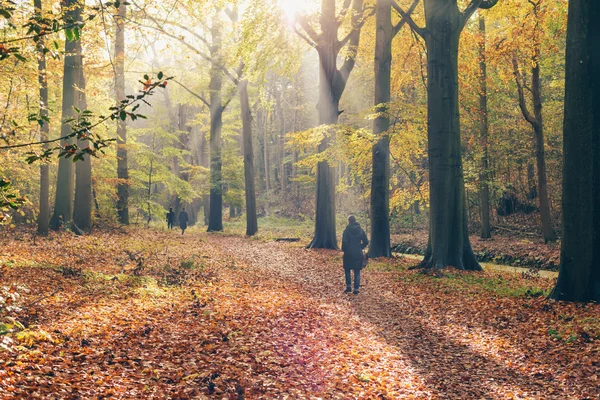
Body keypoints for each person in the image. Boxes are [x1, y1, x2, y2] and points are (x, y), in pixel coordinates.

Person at [342, 215, 369, 295]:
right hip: (358, 252)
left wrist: (344, 250)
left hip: (348, 253)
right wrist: (361, 247)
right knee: (357, 271)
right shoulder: (361, 230)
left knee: (347, 270)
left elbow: (344, 242)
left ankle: (348, 287)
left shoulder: (346, 231)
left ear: (349, 221)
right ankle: (356, 289)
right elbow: (366, 241)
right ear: (355, 221)